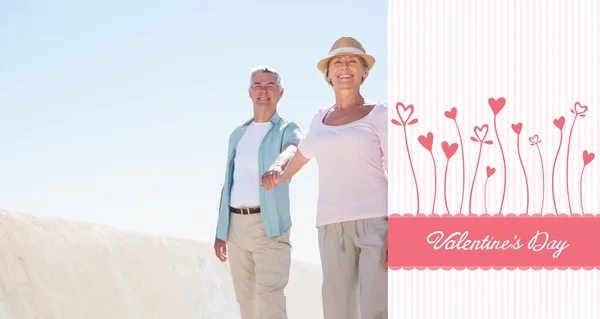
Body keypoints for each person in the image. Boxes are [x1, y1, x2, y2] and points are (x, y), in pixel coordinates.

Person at [261, 36, 388, 319]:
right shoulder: (320, 118)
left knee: (374, 308)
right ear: (328, 74)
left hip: (377, 225)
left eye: (352, 61)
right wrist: (278, 176)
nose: (345, 67)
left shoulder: (380, 114)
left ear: (364, 71)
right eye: (338, 63)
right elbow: (301, 156)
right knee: (337, 309)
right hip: (331, 227)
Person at [214, 66, 303, 319]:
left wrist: (276, 166)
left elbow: (293, 150)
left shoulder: (287, 128)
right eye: (258, 86)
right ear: (250, 92)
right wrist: (221, 231)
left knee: (271, 301)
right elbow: (229, 182)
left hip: (269, 226)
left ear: (281, 92)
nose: (264, 91)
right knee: (247, 304)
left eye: (270, 86)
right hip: (235, 229)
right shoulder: (238, 134)